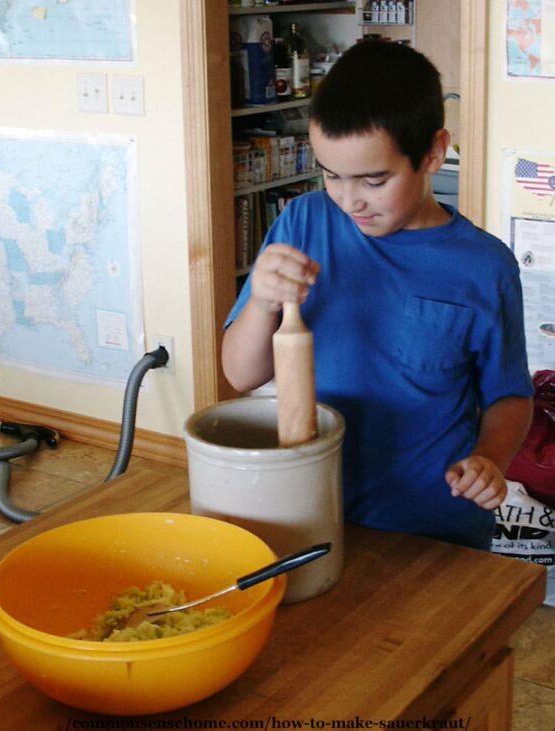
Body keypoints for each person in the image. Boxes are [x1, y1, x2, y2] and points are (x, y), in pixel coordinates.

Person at [222, 41, 534, 551]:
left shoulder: (483, 266)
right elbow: (241, 374)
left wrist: (490, 461)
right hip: (311, 506)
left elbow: (510, 394)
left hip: (433, 525)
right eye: (331, 175)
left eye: (374, 180)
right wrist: (261, 302)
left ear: (433, 153)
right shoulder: (303, 222)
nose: (349, 200)